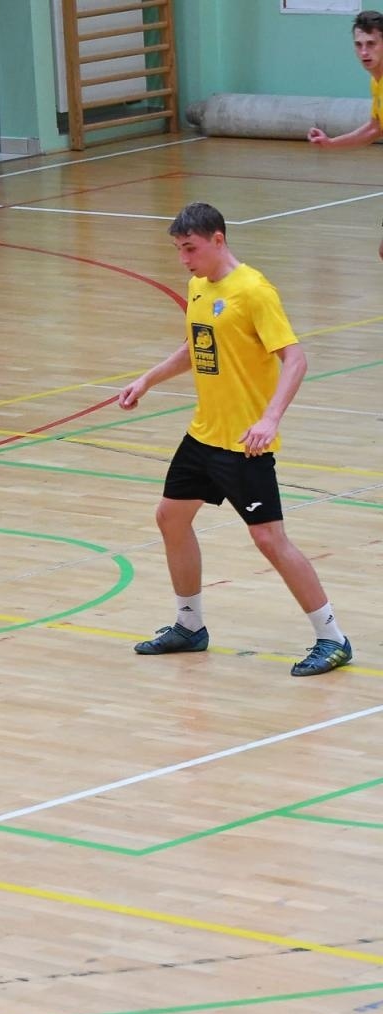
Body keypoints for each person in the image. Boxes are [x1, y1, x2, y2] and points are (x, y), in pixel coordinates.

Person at [117, 202, 353, 677]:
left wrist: (269, 419)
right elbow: (196, 347)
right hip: (204, 434)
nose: (184, 259)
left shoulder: (253, 291)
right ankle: (189, 626)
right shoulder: (199, 287)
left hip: (245, 444)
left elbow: (296, 359)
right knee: (170, 517)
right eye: (179, 250)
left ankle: (333, 638)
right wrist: (147, 380)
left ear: (218, 240)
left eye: (190, 249)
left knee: (269, 539)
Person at [308, 10, 383, 260]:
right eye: (359, 45)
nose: (364, 52)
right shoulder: (376, 82)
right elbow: (375, 128)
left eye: (371, 44)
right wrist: (330, 143)